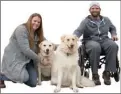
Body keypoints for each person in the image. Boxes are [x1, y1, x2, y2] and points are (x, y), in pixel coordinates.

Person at [73, 2, 118, 85]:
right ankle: (95, 74)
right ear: (90, 10)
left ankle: (107, 73)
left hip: (104, 40)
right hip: (90, 41)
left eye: (96, 8)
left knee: (113, 45)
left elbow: (112, 28)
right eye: (93, 8)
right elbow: (78, 31)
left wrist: (114, 34)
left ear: (100, 10)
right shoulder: (85, 21)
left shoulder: (106, 20)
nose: (95, 10)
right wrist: (73, 38)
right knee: (95, 46)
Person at [0, 13, 45, 88]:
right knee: (24, 77)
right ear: (30, 20)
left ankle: (16, 77)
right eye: (34, 21)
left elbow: (48, 44)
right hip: (15, 59)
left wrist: (63, 45)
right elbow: (25, 50)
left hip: (28, 60)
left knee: (33, 83)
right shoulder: (21, 29)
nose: (36, 23)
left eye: (38, 22)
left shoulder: (37, 34)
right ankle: (2, 75)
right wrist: (38, 58)